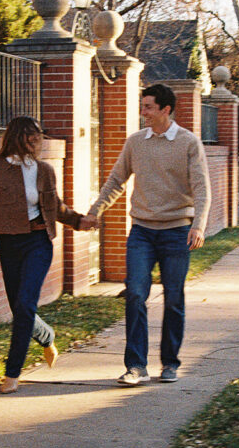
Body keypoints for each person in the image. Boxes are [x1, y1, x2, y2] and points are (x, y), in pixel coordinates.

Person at [0, 116, 86, 394]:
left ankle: (12, 373)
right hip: (9, 245)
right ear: (17, 138)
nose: (37, 141)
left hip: (39, 243)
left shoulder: (45, 170)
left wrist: (79, 221)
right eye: (32, 136)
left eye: (39, 136)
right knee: (19, 309)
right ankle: (46, 336)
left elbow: (54, 207)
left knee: (24, 304)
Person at [84, 83, 211, 386]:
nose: (143, 113)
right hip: (141, 230)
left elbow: (202, 187)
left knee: (173, 299)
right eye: (142, 107)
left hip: (176, 231)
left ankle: (170, 363)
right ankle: (136, 366)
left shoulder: (189, 143)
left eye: (149, 107)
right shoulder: (136, 142)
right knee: (136, 294)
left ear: (166, 110)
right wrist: (95, 211)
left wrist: (199, 225)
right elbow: (117, 179)